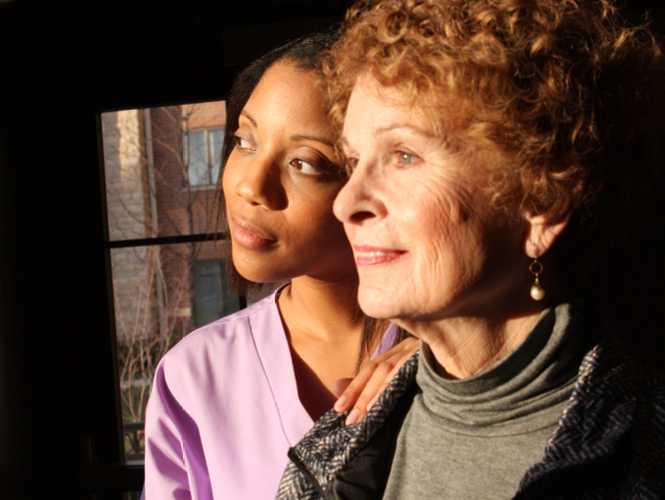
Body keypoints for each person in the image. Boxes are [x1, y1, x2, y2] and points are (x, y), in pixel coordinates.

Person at [277, 0, 665, 498]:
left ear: (543, 198)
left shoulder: (647, 459)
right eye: (354, 161)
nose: (346, 203)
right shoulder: (332, 451)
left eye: (404, 156)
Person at [142, 33, 415, 499]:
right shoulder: (193, 375)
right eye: (244, 141)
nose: (250, 185)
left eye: (304, 162)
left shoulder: (455, 356)